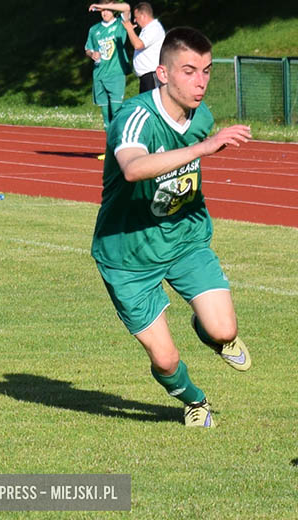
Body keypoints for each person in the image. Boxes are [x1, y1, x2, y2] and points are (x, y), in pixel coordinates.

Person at [91, 26, 254, 428]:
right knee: (165, 359)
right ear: (162, 74)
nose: (200, 82)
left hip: (184, 239)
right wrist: (201, 149)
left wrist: (200, 144)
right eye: (188, 71)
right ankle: (195, 401)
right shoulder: (134, 117)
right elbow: (132, 168)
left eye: (207, 71)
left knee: (223, 328)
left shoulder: (203, 118)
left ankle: (213, 335)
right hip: (128, 254)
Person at [90, 2, 166, 93]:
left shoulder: (154, 28)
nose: (135, 21)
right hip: (146, 78)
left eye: (136, 17)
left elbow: (138, 45)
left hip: (152, 76)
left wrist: (129, 29)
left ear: (143, 16)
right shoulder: (146, 29)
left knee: (153, 105)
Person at [85, 5, 132, 132]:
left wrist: (100, 6)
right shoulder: (94, 29)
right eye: (103, 11)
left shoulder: (120, 25)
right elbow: (88, 49)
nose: (105, 13)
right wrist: (92, 54)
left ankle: (119, 145)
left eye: (107, 10)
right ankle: (110, 147)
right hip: (99, 73)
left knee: (116, 112)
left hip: (116, 74)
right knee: (106, 117)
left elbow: (126, 8)